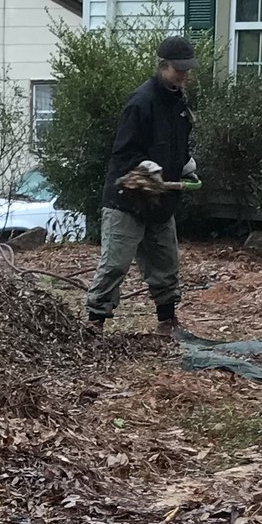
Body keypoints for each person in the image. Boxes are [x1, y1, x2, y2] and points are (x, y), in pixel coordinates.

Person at [87, 34, 197, 336]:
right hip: (127, 199)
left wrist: (185, 164)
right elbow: (123, 153)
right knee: (115, 264)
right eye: (178, 69)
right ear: (162, 66)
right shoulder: (141, 102)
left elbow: (177, 145)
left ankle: (167, 321)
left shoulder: (179, 102)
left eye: (187, 70)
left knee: (165, 263)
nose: (184, 75)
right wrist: (148, 166)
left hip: (161, 201)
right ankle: (95, 321)